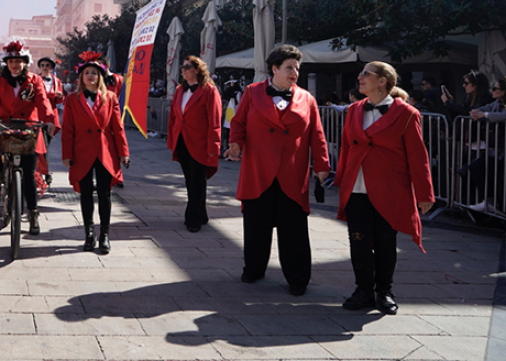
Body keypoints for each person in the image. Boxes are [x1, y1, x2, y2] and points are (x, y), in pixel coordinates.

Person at [226, 44, 330, 296]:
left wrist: (322, 165)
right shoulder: (252, 93)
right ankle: (253, 268)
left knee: (293, 228)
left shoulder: (308, 99)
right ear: (274, 69)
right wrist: (235, 144)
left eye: (297, 68)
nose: (294, 72)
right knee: (256, 225)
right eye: (289, 67)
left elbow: (317, 134)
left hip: (292, 173)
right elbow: (238, 123)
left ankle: (298, 278)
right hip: (258, 169)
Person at [335, 62, 435, 315]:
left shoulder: (407, 114)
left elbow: (417, 156)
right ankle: (363, 290)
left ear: (382, 81)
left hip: (390, 187)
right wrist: (340, 180)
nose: (360, 77)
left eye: (365, 74)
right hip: (357, 186)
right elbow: (347, 147)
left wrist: (424, 194)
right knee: (358, 240)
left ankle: (384, 291)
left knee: (385, 241)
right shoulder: (353, 110)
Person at [0, 39, 56, 236]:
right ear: (7, 62)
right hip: (4, 125)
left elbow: (43, 102)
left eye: (19, 61)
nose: (15, 64)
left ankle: (33, 214)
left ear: (25, 62)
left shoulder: (35, 80)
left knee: (29, 175)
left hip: (28, 128)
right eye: (12, 61)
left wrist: (49, 120)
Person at [61, 51, 129, 253]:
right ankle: (89, 234)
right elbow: (68, 130)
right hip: (81, 152)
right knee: (85, 195)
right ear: (81, 77)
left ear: (101, 77)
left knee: (105, 193)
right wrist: (67, 154)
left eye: (94, 72)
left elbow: (118, 127)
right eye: (87, 72)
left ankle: (105, 235)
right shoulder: (72, 99)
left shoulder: (111, 97)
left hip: (105, 151)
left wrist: (124, 152)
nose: (90, 75)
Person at [167, 55, 222, 232]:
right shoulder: (179, 90)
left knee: (198, 180)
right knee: (190, 179)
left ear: (197, 70)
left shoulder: (209, 90)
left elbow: (215, 120)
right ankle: (201, 213)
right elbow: (173, 118)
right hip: (182, 140)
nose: (183, 70)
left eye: (187, 67)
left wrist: (214, 146)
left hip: (200, 142)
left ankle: (193, 218)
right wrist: (171, 139)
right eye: (182, 68)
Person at [462, 77, 506, 212]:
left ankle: (496, 205)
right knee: (474, 168)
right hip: (496, 149)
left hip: (501, 150)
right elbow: (484, 109)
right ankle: (489, 202)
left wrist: (485, 115)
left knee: (499, 178)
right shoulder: (497, 103)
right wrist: (476, 113)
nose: (492, 91)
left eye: (495, 88)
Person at [37, 56, 63, 185]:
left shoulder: (56, 81)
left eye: (47, 65)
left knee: (46, 146)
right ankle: (40, 172)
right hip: (37, 115)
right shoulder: (34, 79)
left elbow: (59, 100)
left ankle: (45, 172)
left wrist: (59, 96)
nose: (45, 67)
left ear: (51, 67)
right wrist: (52, 95)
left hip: (51, 115)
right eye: (42, 65)